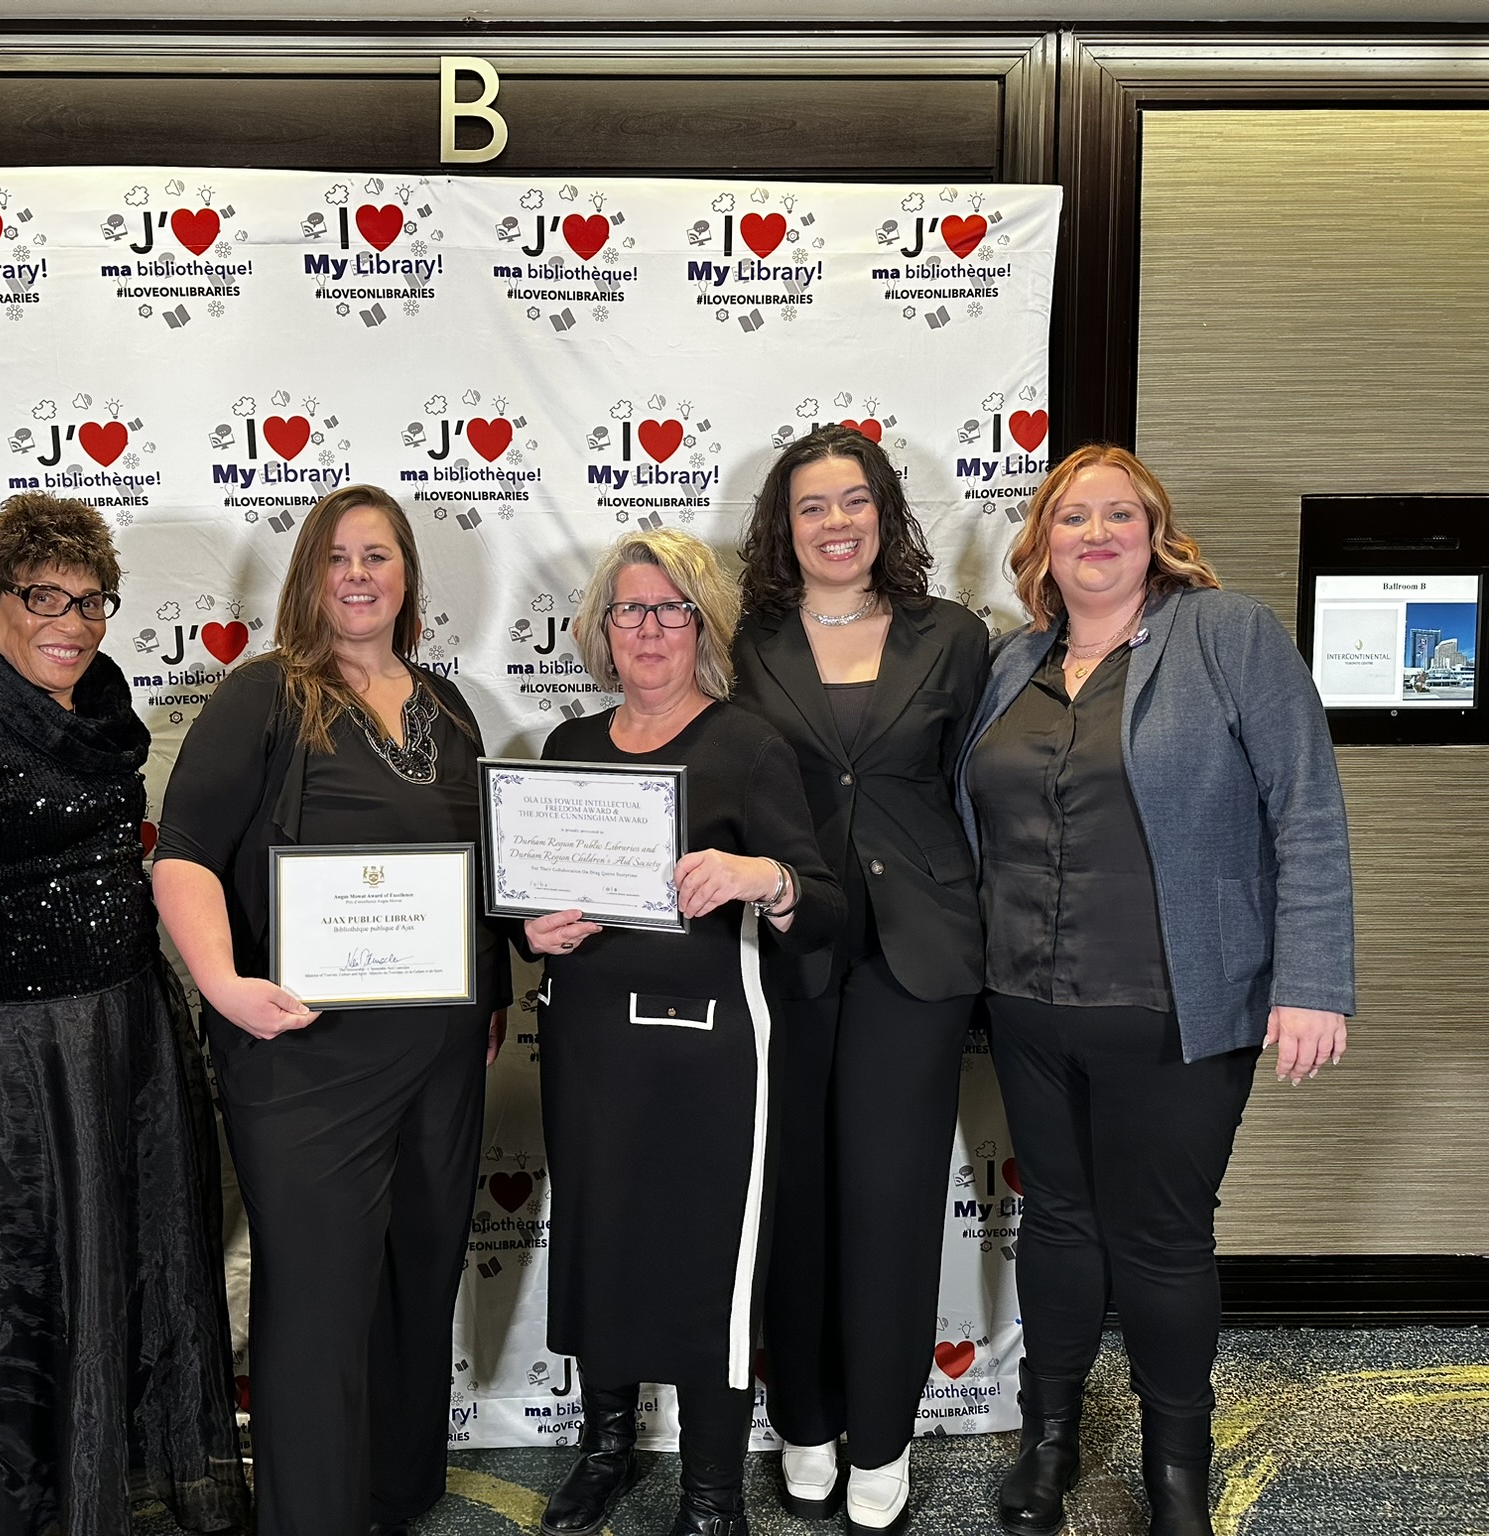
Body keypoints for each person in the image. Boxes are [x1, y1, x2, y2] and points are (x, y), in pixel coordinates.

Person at [957, 447, 1353, 1536]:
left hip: (1175, 1003)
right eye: (1072, 517)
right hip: (1026, 1001)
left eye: (1118, 514)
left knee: (1162, 1240)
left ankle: (1177, 1468)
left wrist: (1312, 981)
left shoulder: (1226, 635)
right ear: (1041, 544)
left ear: (1154, 533)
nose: (1095, 533)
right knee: (1057, 1223)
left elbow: (1306, 808)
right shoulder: (1012, 661)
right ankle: (1049, 1440)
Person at [0, 493, 247, 1536]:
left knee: (121, 1283)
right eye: (43, 597)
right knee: (6, 1302)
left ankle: (96, 1501)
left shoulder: (107, 718)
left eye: (90, 601)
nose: (71, 623)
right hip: (2, 1066)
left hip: (124, 1040)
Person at [152, 485, 511, 1536]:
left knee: (417, 1275)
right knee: (317, 1299)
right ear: (310, 576)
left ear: (407, 577)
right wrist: (223, 985)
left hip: (442, 1053)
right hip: (304, 1054)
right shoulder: (262, 694)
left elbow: (478, 868)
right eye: (337, 557)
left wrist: (491, 992)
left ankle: (393, 1495)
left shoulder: (447, 705)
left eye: (378, 556)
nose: (357, 575)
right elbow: (183, 857)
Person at [525, 529, 844, 1536]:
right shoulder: (567, 748)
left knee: (712, 1267)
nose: (650, 629)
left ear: (703, 627)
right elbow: (531, 901)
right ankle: (606, 1450)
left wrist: (763, 877)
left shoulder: (748, 746)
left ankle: (712, 1496)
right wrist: (530, 930)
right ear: (601, 628)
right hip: (588, 1050)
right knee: (598, 1247)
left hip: (710, 1056)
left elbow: (825, 907)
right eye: (631, 610)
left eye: (672, 610)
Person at [731, 425, 990, 1532]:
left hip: (915, 954)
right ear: (782, 527)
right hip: (786, 945)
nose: (834, 523)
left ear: (883, 512)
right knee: (792, 1194)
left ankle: (881, 1434)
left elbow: (977, 783)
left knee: (890, 1200)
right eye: (811, 505)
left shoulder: (954, 635)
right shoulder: (744, 640)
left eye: (853, 501)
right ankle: (805, 1420)